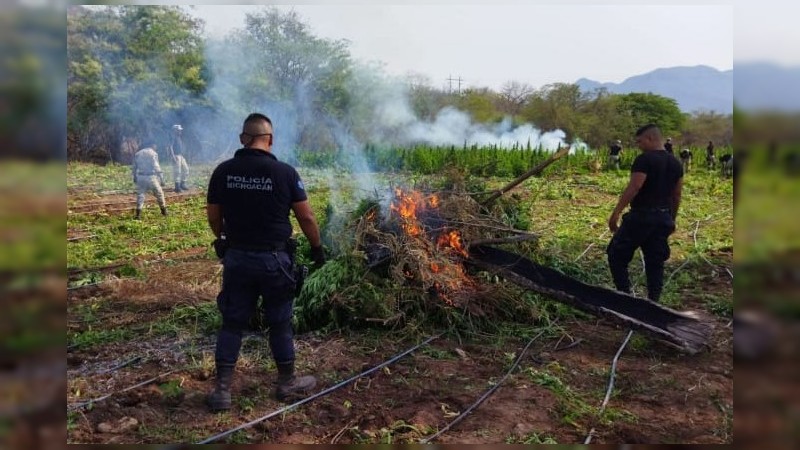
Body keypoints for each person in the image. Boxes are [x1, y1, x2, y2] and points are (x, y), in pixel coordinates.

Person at [205, 112, 326, 412]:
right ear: (270, 140)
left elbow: (213, 214)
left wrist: (221, 239)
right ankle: (286, 383)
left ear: (243, 139)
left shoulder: (223, 171)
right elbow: (306, 216)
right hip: (275, 261)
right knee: (280, 323)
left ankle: (222, 391)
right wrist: (317, 247)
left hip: (238, 258)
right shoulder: (285, 173)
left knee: (232, 323)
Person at [606, 124, 683, 302]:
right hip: (663, 217)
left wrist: (616, 213)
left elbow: (635, 186)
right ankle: (653, 303)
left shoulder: (644, 160)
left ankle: (625, 297)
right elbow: (677, 195)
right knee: (655, 262)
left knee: (616, 254)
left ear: (650, 139)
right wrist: (672, 218)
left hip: (641, 217)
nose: (638, 145)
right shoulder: (675, 162)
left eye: (640, 141)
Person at [131, 142, 167, 219]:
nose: (156, 147)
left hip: (141, 177)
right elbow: (156, 166)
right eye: (155, 145)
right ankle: (164, 211)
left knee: (140, 195)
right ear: (152, 145)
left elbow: (134, 167)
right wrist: (161, 178)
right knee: (159, 193)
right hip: (151, 177)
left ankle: (138, 214)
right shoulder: (153, 153)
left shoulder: (138, 153)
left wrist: (134, 176)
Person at [169, 124, 190, 192]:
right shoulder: (173, 137)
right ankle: (177, 187)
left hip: (180, 156)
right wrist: (173, 156)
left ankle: (182, 184)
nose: (180, 131)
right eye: (178, 130)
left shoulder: (179, 137)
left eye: (180, 130)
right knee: (177, 171)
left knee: (186, 169)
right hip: (176, 155)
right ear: (175, 130)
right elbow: (170, 147)